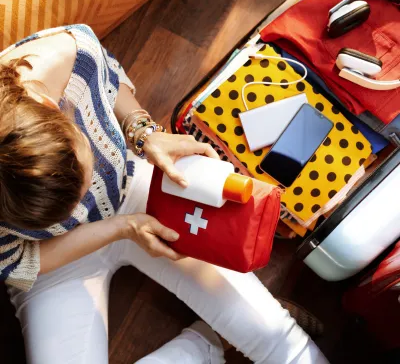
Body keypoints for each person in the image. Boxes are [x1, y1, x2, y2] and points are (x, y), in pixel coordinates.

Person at [0, 24, 329, 364]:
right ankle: (206, 343)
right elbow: (16, 262)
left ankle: (217, 338)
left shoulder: (67, 55)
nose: (78, 210)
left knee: (274, 335)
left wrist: (143, 132)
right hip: (51, 256)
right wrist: (122, 227)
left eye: (86, 167)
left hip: (135, 191)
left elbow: (110, 83)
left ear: (48, 105)